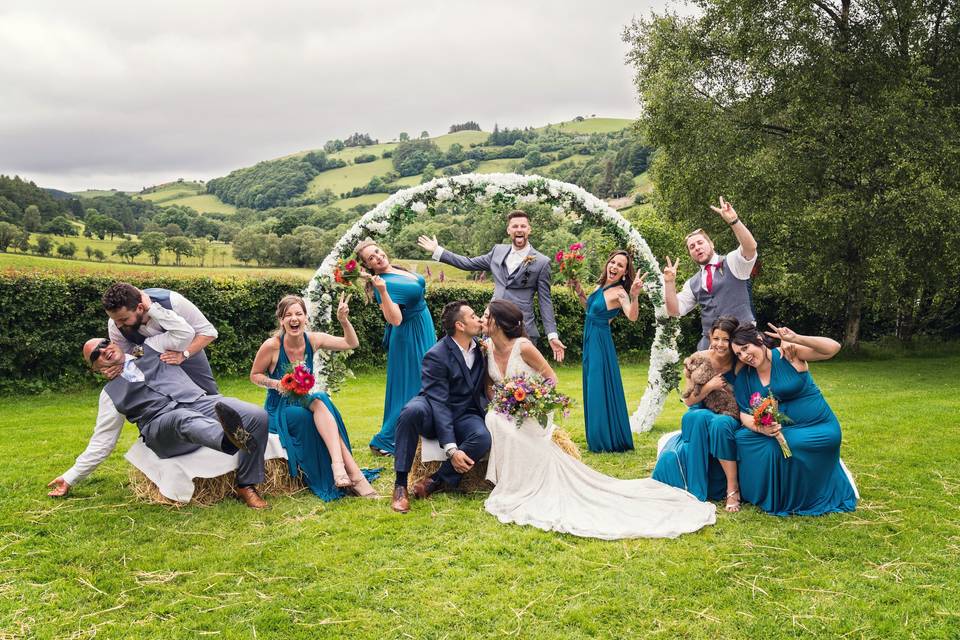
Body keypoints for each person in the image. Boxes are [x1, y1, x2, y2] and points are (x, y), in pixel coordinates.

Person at [482, 300, 717, 539]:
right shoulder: (487, 347)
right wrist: (504, 401)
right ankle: (512, 480)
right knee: (494, 418)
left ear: (498, 322)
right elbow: (490, 385)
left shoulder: (523, 347)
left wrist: (531, 400)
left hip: (533, 411)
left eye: (486, 315)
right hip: (507, 408)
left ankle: (523, 483)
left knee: (504, 424)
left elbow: (550, 378)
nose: (482, 319)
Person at [47, 306, 270, 509]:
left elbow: (184, 330)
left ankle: (246, 484)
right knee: (181, 418)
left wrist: (150, 305)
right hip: (162, 426)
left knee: (256, 416)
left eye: (104, 343)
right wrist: (70, 477)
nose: (103, 350)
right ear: (95, 368)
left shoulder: (147, 349)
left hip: (197, 401)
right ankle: (227, 439)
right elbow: (103, 441)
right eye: (96, 354)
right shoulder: (109, 394)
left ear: (112, 342)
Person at [249, 294, 377, 500]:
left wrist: (344, 321)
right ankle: (354, 476)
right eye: (288, 315)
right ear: (281, 320)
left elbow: (350, 343)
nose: (294, 318)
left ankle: (340, 468)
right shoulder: (272, 345)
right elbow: (254, 375)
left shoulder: (313, 340)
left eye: (299, 313)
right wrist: (276, 383)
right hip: (279, 408)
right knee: (314, 410)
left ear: (306, 318)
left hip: (303, 400)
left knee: (321, 398)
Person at [731, 323, 858, 516]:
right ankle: (761, 493)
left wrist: (796, 338)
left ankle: (799, 497)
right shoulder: (745, 377)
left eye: (745, 348)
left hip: (819, 425)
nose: (744, 356)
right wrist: (761, 429)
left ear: (758, 340)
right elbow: (744, 413)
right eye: (739, 354)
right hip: (784, 429)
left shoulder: (787, 353)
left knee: (785, 446)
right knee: (744, 439)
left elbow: (833, 348)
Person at [418, 209, 566, 361]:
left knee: (521, 378)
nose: (519, 230)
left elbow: (545, 301)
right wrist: (438, 251)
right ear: (509, 230)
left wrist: (552, 335)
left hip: (522, 328)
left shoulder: (542, 262)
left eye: (523, 226)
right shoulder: (497, 252)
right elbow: (468, 263)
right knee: (489, 374)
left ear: (529, 229)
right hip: (492, 325)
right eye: (515, 226)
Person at [390, 301, 491, 514]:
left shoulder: (481, 349)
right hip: (433, 409)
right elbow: (440, 403)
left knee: (482, 437)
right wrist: (451, 449)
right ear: (460, 326)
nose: (479, 319)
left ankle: (435, 480)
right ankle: (400, 485)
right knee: (411, 412)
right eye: (473, 316)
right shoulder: (437, 355)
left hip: (465, 412)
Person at [355, 239, 437, 456]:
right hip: (408, 336)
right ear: (368, 266)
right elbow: (395, 319)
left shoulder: (397, 270)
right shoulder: (383, 284)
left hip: (423, 325)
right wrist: (382, 291)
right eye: (371, 258)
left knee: (429, 379)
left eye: (378, 252)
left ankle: (422, 431)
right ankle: (388, 438)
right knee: (414, 384)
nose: (378, 257)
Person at [653, 316, 742, 511]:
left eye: (726, 339)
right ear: (710, 336)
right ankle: (695, 488)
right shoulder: (700, 358)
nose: (720, 344)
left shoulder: (739, 360)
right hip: (700, 409)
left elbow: (743, 397)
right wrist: (710, 386)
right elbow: (688, 400)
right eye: (716, 338)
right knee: (696, 416)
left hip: (728, 412)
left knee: (715, 422)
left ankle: (731, 487)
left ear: (733, 340)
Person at [569, 250, 646, 452]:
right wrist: (579, 291)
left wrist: (635, 296)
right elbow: (590, 310)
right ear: (608, 264)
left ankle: (603, 440)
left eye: (620, 265)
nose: (615, 266)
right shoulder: (601, 286)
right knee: (592, 385)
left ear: (624, 273)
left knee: (597, 386)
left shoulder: (620, 292)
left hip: (600, 344)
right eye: (613, 262)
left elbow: (631, 316)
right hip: (590, 339)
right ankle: (597, 435)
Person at [663, 197, 758, 349]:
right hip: (710, 346)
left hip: (741, 340)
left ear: (711, 244)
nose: (697, 248)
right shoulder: (692, 283)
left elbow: (750, 247)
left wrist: (734, 221)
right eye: (692, 247)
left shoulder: (732, 262)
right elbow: (674, 310)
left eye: (700, 243)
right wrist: (669, 283)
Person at [103, 282, 220, 395]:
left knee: (209, 394)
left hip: (189, 353)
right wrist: (118, 365)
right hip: (152, 366)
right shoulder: (115, 324)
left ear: (140, 308)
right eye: (114, 320)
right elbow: (128, 355)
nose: (118, 325)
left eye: (123, 319)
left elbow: (208, 332)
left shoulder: (173, 301)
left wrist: (184, 354)